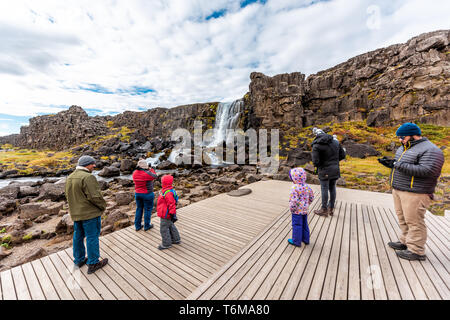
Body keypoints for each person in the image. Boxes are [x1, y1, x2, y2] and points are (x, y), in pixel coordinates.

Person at [378, 122, 444, 261]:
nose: (400, 140)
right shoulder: (403, 148)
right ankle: (405, 242)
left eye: (402, 137)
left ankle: (416, 251)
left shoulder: (431, 150)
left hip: (416, 192)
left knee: (414, 221)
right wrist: (391, 163)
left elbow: (428, 170)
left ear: (414, 135)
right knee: (403, 219)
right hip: (400, 189)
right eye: (398, 137)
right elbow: (401, 165)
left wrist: (397, 165)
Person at [65, 155, 108, 274]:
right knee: (92, 236)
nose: (94, 166)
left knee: (78, 236)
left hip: (76, 213)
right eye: (92, 164)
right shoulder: (88, 177)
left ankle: (78, 260)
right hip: (90, 214)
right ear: (86, 165)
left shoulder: (71, 176)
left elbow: (68, 195)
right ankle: (93, 263)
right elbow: (94, 197)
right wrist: (103, 206)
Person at [311, 127, 346, 217]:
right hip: (335, 169)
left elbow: (315, 161)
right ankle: (331, 207)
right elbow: (342, 155)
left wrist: (320, 165)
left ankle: (324, 209)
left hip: (324, 170)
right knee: (332, 188)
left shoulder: (316, 145)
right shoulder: (335, 142)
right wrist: (334, 161)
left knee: (324, 188)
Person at [288, 167, 314, 247]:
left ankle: (296, 241)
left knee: (297, 225)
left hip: (296, 211)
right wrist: (307, 204)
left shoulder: (294, 188)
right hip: (305, 210)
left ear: (294, 178)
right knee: (304, 224)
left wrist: (292, 209)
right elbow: (311, 197)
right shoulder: (307, 186)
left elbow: (294, 201)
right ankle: (306, 239)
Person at [132, 159, 158, 231]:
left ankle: (137, 226)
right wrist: (151, 169)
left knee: (139, 209)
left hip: (138, 194)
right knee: (147, 210)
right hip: (147, 194)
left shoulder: (134, 173)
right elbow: (155, 176)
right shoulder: (147, 173)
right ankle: (147, 226)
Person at [156, 175, 181, 250]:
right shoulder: (169, 190)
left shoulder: (167, 192)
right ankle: (176, 239)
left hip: (166, 214)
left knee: (163, 229)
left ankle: (166, 244)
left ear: (163, 183)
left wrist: (172, 214)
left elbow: (171, 204)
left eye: (162, 181)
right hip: (167, 213)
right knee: (170, 226)